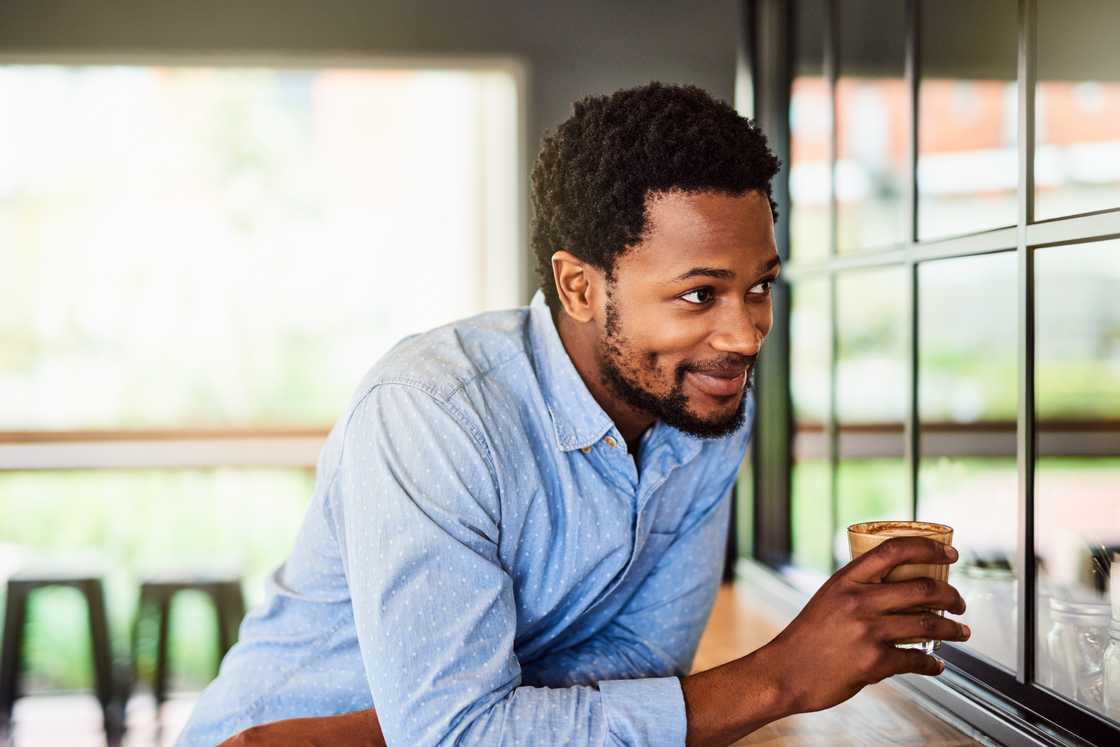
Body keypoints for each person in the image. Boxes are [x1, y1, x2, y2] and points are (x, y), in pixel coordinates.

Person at [180, 82, 969, 747]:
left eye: (758, 286)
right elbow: (463, 736)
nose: (744, 334)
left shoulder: (703, 403)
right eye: (700, 294)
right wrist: (781, 676)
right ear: (579, 287)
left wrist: (449, 718)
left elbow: (643, 666)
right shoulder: (433, 414)